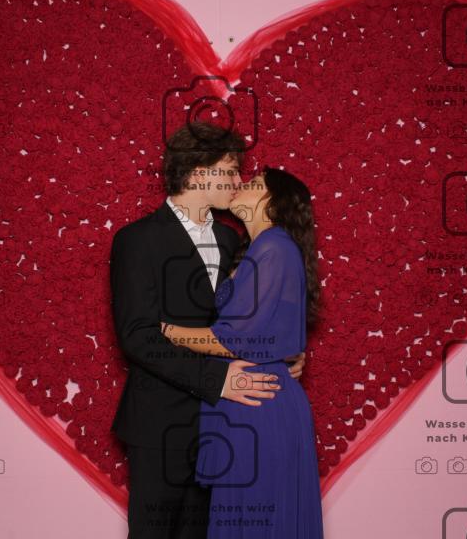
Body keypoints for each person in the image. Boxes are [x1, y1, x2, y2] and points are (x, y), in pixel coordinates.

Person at [109, 122, 306, 538]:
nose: (237, 181)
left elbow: (252, 317)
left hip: (222, 426)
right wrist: (218, 380)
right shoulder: (137, 240)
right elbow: (138, 336)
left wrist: (281, 352)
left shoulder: (234, 240)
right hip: (161, 423)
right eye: (231, 171)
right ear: (200, 171)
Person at [159, 166, 324, 539]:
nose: (240, 184)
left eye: (253, 183)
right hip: (245, 395)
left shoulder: (273, 247)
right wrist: (286, 353)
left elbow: (235, 339)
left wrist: (162, 331)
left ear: (273, 201)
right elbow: (275, 327)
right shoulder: (255, 248)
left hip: (257, 405)